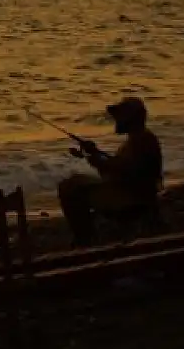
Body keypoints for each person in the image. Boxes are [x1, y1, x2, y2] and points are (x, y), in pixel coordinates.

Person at [57, 96, 162, 245]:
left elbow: (124, 174)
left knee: (69, 188)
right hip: (132, 195)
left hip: (131, 200)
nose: (116, 119)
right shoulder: (140, 139)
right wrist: (94, 155)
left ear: (131, 118)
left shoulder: (141, 140)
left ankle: (85, 240)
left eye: (121, 115)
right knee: (73, 183)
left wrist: (97, 160)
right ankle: (86, 238)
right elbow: (118, 169)